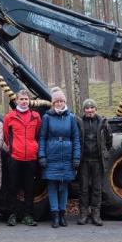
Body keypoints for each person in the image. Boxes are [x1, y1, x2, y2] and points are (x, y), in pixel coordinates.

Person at [38, 88, 81, 228]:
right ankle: (55, 215)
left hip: (67, 157)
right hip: (52, 156)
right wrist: (42, 155)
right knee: (52, 186)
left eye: (62, 101)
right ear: (53, 103)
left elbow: (76, 138)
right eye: (57, 101)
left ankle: (63, 215)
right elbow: (42, 138)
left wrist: (76, 157)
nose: (59, 103)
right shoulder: (47, 117)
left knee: (64, 187)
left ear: (65, 102)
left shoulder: (71, 118)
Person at [3, 89, 42, 226]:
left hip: (31, 158)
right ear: (16, 100)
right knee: (12, 187)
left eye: (26, 99)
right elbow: (6, 136)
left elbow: (37, 134)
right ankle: (12, 214)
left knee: (29, 188)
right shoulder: (10, 117)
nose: (24, 101)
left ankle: (28, 215)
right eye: (21, 99)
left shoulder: (36, 116)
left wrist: (33, 147)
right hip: (15, 157)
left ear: (29, 101)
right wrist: (13, 148)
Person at [76, 98, 112, 226]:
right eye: (87, 108)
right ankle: (83, 213)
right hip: (83, 161)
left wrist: (105, 153)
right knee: (83, 188)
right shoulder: (79, 122)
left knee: (97, 188)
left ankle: (96, 214)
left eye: (92, 108)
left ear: (95, 109)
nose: (89, 110)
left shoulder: (102, 122)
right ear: (84, 110)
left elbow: (109, 140)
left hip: (98, 161)